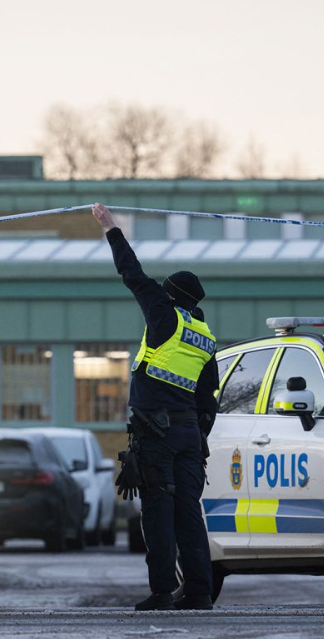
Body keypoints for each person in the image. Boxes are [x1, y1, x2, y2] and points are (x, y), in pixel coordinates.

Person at [92, 203, 219, 611]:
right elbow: (208, 399)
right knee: (189, 515)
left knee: (158, 514)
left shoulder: (165, 317)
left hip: (157, 434)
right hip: (188, 436)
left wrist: (110, 228)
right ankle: (199, 591)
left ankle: (163, 592)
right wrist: (198, 438)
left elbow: (132, 274)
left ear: (171, 296)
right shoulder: (205, 336)